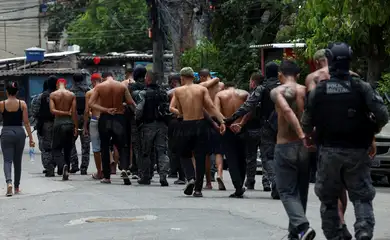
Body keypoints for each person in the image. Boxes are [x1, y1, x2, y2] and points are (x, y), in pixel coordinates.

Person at [302, 42, 389, 240]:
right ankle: (364, 230)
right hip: (358, 151)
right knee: (362, 196)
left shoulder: (318, 91)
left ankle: (334, 235)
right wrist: (371, 130)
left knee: (329, 198)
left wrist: (310, 137)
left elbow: (306, 123)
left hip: (328, 152)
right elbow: (382, 115)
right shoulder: (361, 87)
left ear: (330, 61)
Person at [305, 48, 356, 239]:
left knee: (330, 186)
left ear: (318, 62)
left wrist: (308, 134)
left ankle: (340, 222)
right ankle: (342, 222)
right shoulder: (353, 77)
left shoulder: (313, 78)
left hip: (325, 138)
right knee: (343, 185)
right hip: (351, 138)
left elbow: (311, 107)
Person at [271, 60, 315, 240]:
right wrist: (307, 137)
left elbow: (287, 110)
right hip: (304, 148)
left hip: (285, 145)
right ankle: (295, 233)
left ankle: (303, 227)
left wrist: (299, 133)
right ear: (298, 75)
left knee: (287, 191)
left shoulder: (277, 91)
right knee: (301, 190)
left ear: (280, 74)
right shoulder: (305, 91)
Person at [225, 62, 280, 198]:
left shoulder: (263, 88)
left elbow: (249, 105)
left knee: (268, 156)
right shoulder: (285, 87)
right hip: (287, 127)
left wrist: (233, 118)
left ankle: (275, 182)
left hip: (268, 126)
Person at [169, 67, 225, 197]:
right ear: (193, 77)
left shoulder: (178, 91)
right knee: (200, 156)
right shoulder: (201, 89)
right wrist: (222, 122)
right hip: (200, 124)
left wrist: (181, 113)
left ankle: (190, 178)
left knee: (184, 154)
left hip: (185, 124)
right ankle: (198, 189)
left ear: (182, 78)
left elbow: (171, 108)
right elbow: (211, 106)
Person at [89, 72, 136, 185]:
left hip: (105, 119)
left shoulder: (100, 87)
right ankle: (124, 168)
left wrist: (105, 109)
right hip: (119, 118)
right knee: (122, 146)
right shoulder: (121, 86)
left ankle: (107, 177)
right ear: (113, 77)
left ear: (103, 78)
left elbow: (91, 103)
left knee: (104, 147)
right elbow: (130, 102)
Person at [136, 71, 170, 186]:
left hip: (148, 126)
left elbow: (139, 109)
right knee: (162, 151)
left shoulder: (143, 93)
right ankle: (163, 176)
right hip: (162, 125)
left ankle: (146, 176)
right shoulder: (164, 93)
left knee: (146, 152)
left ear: (148, 79)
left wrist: (137, 120)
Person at [0, 82, 35, 197]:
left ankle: (9, 182)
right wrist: (31, 138)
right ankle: (16, 187)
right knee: (17, 161)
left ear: (7, 91)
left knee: (7, 160)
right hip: (19, 133)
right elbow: (26, 122)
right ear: (17, 92)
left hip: (6, 132)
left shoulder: (2, 104)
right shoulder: (22, 104)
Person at [215, 82, 249, 197]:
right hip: (242, 128)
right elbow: (250, 109)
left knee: (231, 158)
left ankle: (238, 186)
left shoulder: (220, 95)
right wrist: (241, 123)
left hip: (228, 129)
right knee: (242, 158)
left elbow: (216, 111)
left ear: (225, 87)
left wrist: (224, 123)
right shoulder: (244, 93)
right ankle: (241, 184)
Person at [199, 69, 224, 188]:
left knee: (206, 154)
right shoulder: (221, 86)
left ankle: (208, 182)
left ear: (203, 77)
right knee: (219, 150)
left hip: (206, 119)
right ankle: (219, 174)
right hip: (218, 118)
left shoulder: (201, 86)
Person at [50, 78, 78, 181]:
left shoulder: (53, 95)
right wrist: (75, 127)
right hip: (70, 124)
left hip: (58, 124)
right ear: (65, 85)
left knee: (56, 148)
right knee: (67, 149)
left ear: (57, 84)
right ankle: (66, 169)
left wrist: (63, 113)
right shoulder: (71, 95)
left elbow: (52, 111)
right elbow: (74, 112)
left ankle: (62, 166)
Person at [35, 75, 58, 177]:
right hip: (59, 122)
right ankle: (57, 165)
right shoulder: (61, 95)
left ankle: (49, 168)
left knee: (46, 147)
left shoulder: (41, 96)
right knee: (57, 145)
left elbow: (34, 110)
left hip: (45, 124)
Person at [69, 73, 91, 175]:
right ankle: (84, 168)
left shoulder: (70, 91)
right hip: (86, 117)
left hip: (74, 117)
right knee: (85, 143)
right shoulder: (88, 90)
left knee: (71, 141)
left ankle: (74, 165)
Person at [167, 73, 186, 184]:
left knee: (175, 148)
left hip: (176, 120)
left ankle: (178, 173)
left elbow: (169, 108)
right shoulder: (191, 91)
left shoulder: (172, 93)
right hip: (189, 120)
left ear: (173, 82)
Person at [84, 73, 103, 179]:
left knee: (96, 148)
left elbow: (87, 111)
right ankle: (106, 170)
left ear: (92, 81)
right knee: (105, 146)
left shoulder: (90, 93)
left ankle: (99, 172)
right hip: (105, 120)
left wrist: (85, 126)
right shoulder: (106, 91)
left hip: (95, 120)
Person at [31, 80, 48, 173]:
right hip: (57, 123)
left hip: (42, 124)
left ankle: (47, 166)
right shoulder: (59, 96)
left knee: (44, 146)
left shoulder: (38, 97)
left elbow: (34, 111)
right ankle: (58, 163)